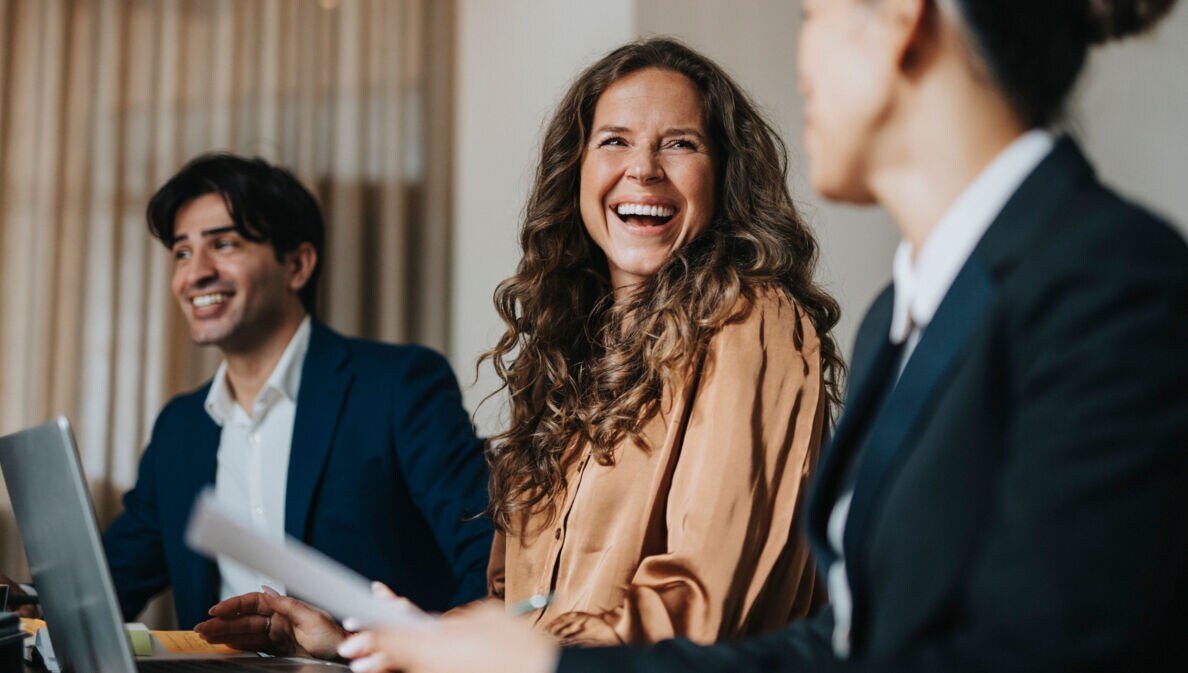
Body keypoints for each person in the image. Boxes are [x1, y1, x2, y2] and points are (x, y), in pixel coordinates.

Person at [331, 1, 1188, 672]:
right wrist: (403, 639)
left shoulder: (1111, 281)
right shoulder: (903, 314)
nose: (800, 61)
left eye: (811, 13)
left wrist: (546, 663)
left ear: (902, 17)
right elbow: (845, 642)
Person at [196, 38, 842, 655]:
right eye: (614, 141)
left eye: (679, 143)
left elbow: (702, 612)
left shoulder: (751, 321)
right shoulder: (569, 356)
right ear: (577, 172)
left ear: (723, 176)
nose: (643, 168)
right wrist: (361, 639)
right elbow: (518, 610)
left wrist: (506, 652)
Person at [2, 153, 493, 631]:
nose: (195, 273)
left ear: (297, 265)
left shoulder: (399, 387)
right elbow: (106, 589)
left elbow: (487, 559)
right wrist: (20, 603)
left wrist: (429, 656)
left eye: (225, 244)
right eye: (182, 252)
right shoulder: (180, 428)